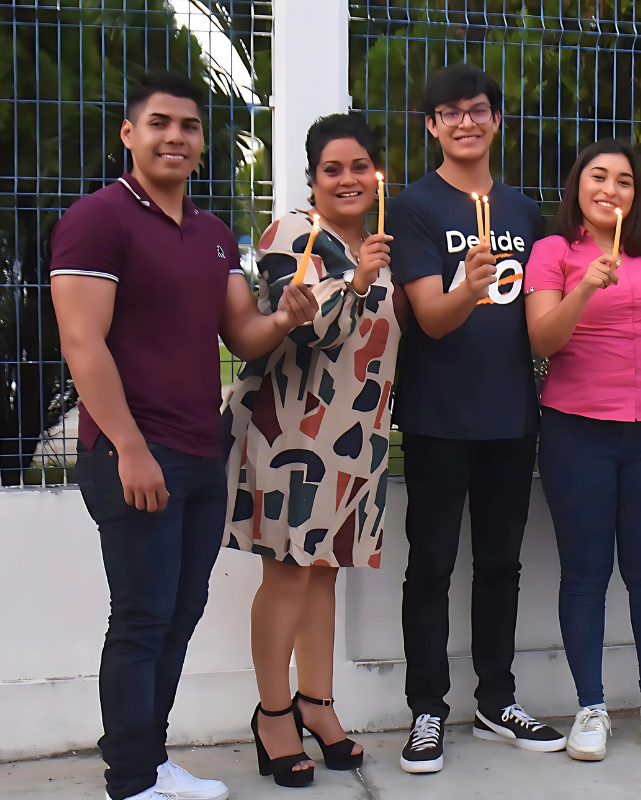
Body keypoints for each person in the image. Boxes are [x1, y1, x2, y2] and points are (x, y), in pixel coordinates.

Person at [50, 72, 318, 800]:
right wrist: (129, 446)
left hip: (204, 452)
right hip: (134, 452)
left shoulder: (208, 235)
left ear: (201, 142)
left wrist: (288, 316)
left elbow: (243, 333)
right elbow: (83, 343)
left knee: (180, 611)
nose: (176, 136)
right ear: (129, 135)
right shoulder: (98, 219)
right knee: (140, 619)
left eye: (189, 126)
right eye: (159, 123)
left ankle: (151, 759)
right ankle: (132, 779)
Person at [386, 63, 565, 773]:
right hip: (437, 416)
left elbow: (540, 316)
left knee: (501, 565)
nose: (467, 122)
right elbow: (430, 318)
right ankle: (426, 709)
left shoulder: (523, 211)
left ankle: (497, 700)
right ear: (431, 125)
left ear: (496, 120)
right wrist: (469, 285)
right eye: (451, 112)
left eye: (480, 110)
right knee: (429, 567)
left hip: (510, 415)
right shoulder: (415, 208)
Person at [223, 114, 399, 787]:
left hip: (358, 435)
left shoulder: (380, 244)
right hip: (295, 433)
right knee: (289, 573)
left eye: (359, 167)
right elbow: (302, 335)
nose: (348, 179)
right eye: (333, 169)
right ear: (314, 178)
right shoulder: (293, 236)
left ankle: (317, 703)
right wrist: (356, 281)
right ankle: (273, 714)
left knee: (324, 570)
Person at [525, 139, 641, 761]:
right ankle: (590, 707)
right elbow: (543, 337)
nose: (610, 190)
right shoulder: (553, 252)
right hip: (576, 428)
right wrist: (585, 287)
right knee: (586, 573)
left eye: (624, 181)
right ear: (577, 185)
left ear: (635, 196)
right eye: (598, 177)